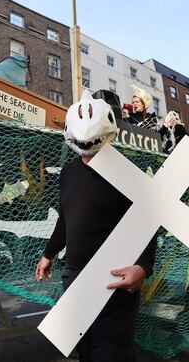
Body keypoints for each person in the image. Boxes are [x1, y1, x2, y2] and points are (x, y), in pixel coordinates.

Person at [36, 92, 156, 361]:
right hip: (75, 278)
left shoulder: (127, 171)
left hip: (114, 280)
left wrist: (143, 267)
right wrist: (48, 254)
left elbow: (149, 219)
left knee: (112, 353)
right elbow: (66, 219)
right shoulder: (68, 172)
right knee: (86, 352)